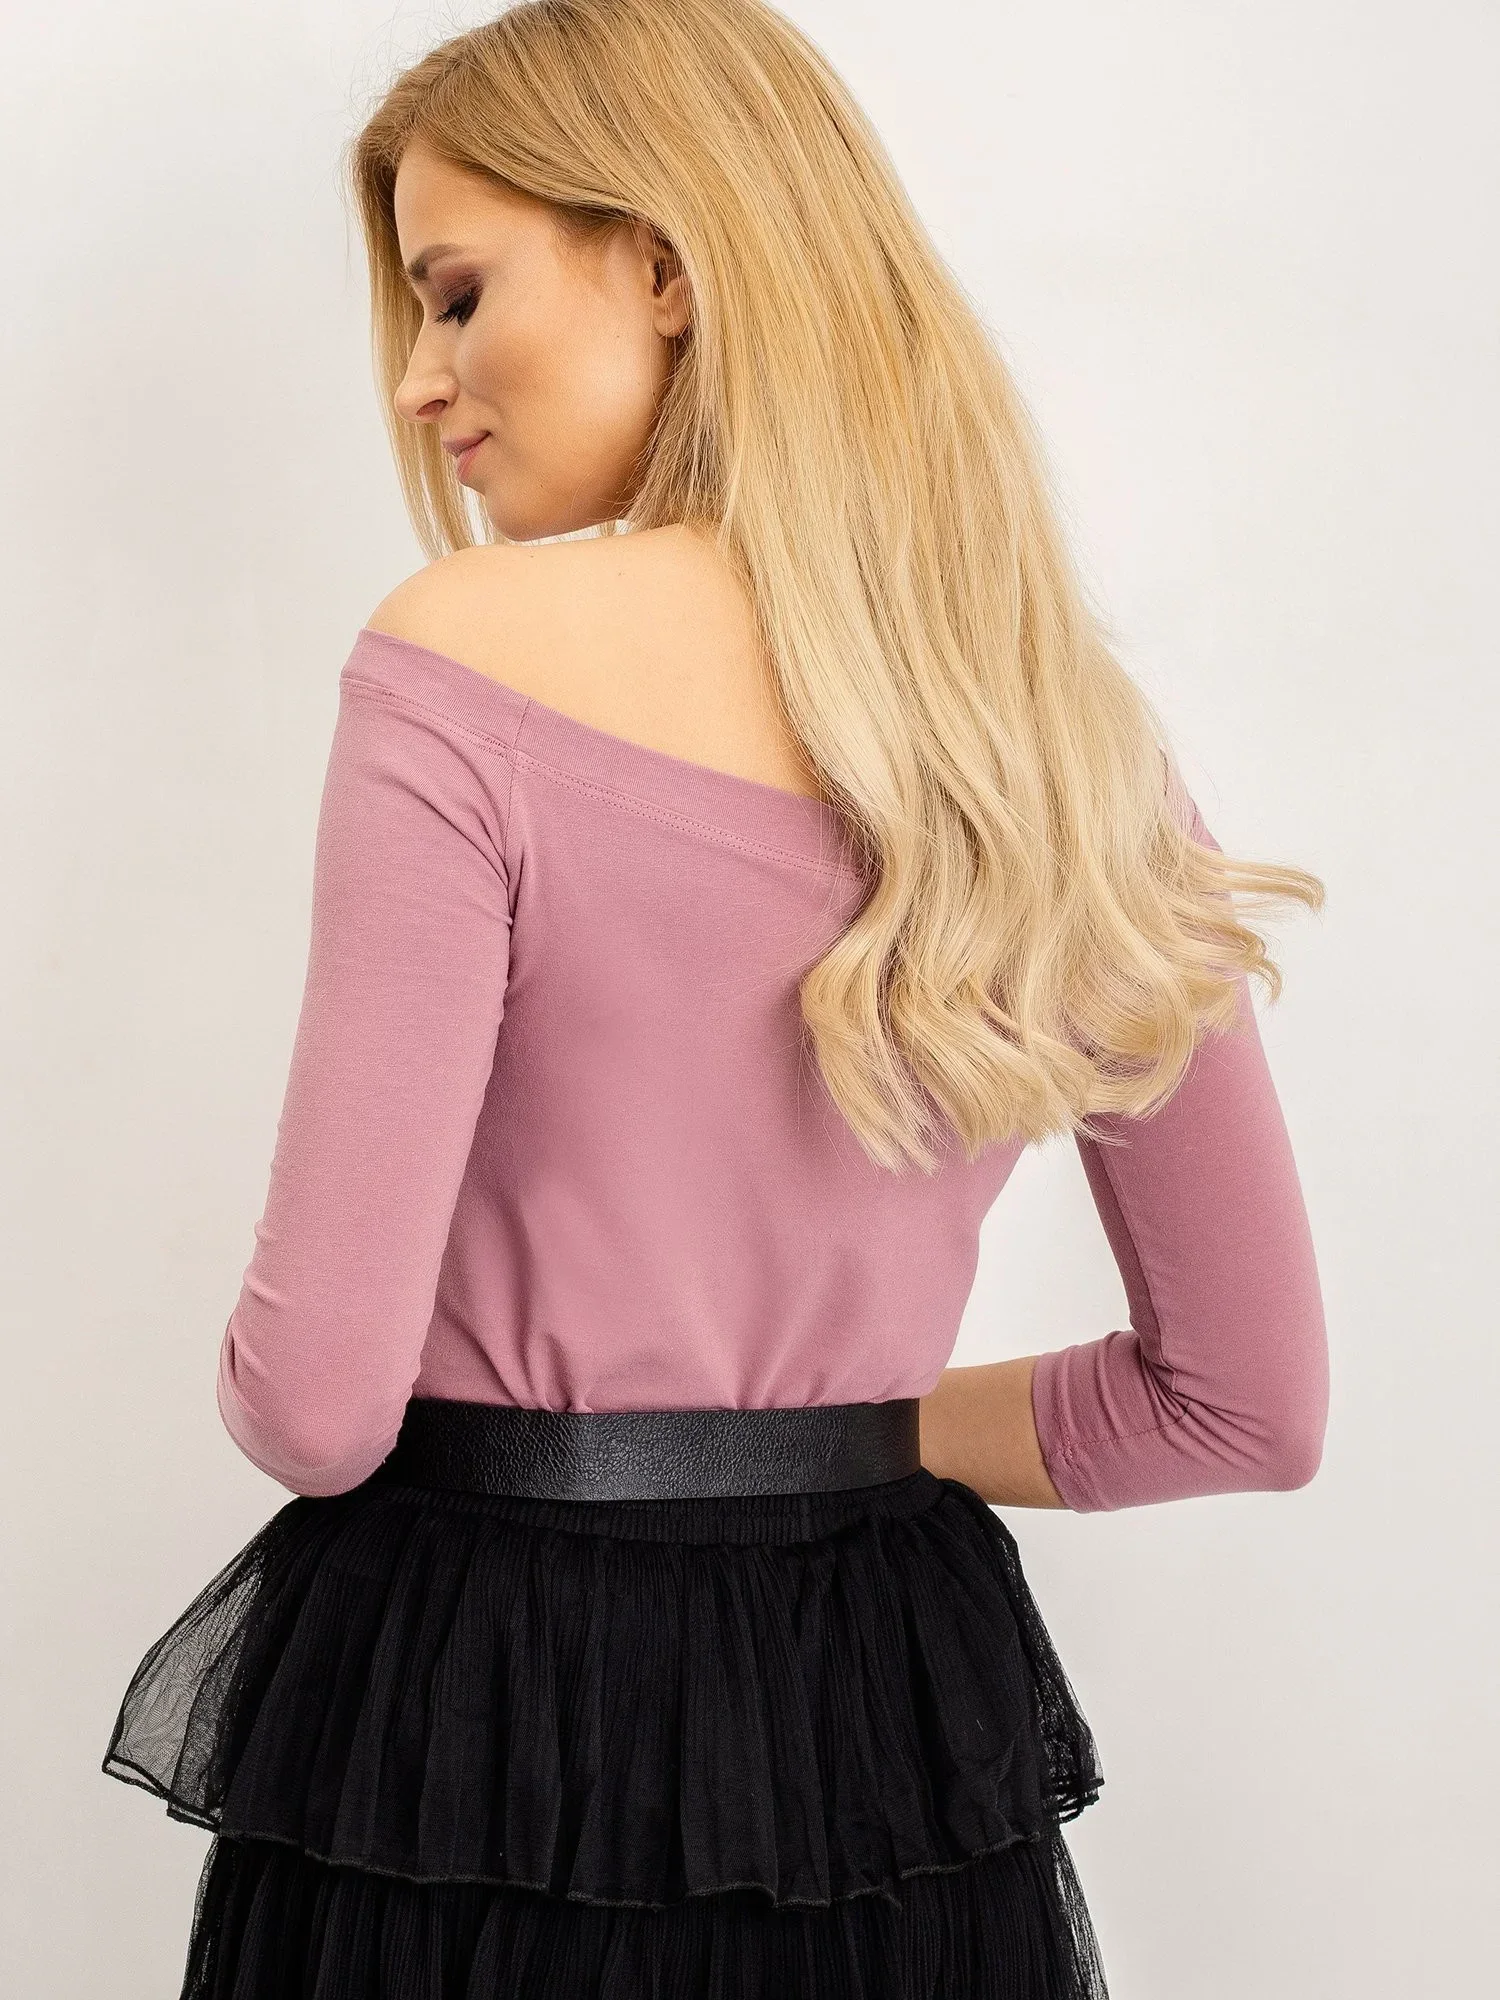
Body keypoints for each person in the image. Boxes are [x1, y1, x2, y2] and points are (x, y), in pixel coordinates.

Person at [99, 2, 1329, 1994]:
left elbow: (315, 1406)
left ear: (665, 268)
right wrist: (837, 1429)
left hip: (483, 1699)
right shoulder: (1056, 744)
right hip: (885, 1717)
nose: (419, 379)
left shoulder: (466, 655)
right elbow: (1245, 1400)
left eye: (456, 292)